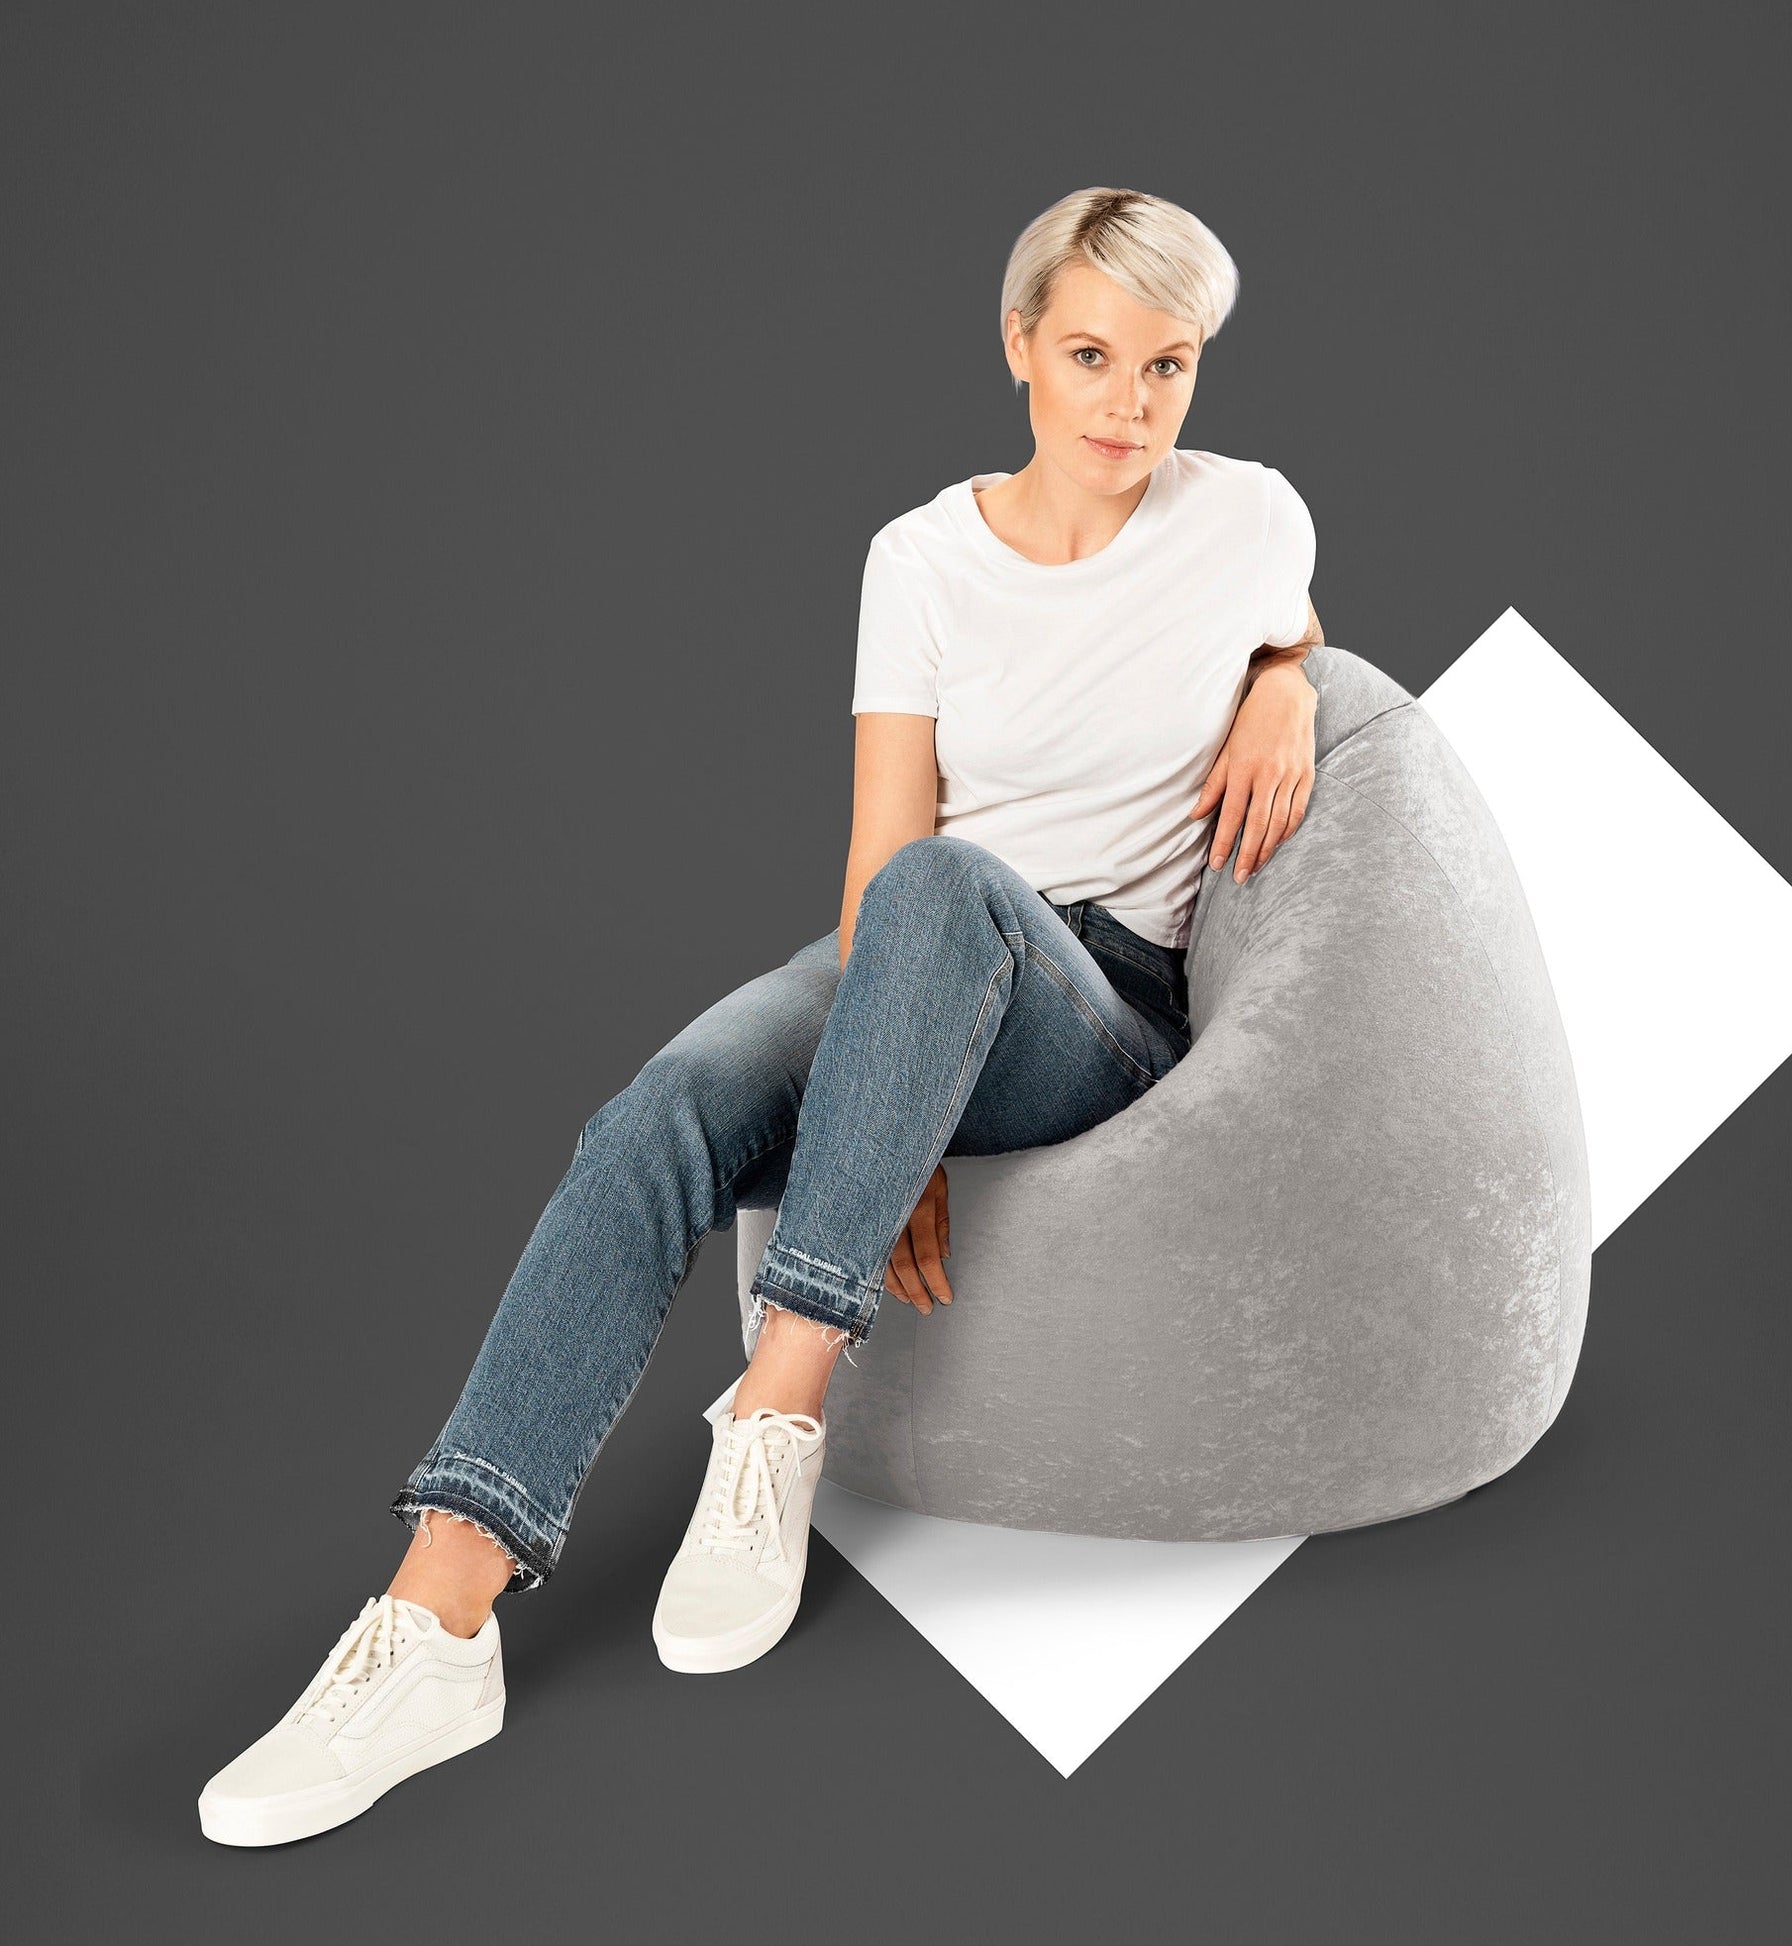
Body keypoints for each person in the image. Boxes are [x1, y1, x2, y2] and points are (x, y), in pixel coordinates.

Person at [197, 184, 1326, 1847]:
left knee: (950, 888)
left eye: (1168, 365)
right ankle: (437, 1615)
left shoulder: (1246, 516)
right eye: (1091, 355)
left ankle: (779, 1400)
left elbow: (1296, 631)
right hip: (912, 943)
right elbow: (882, 852)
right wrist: (893, 1101)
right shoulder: (920, 560)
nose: (1129, 404)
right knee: (656, 1113)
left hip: (1097, 1002)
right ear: (1018, 345)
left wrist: (1287, 680)